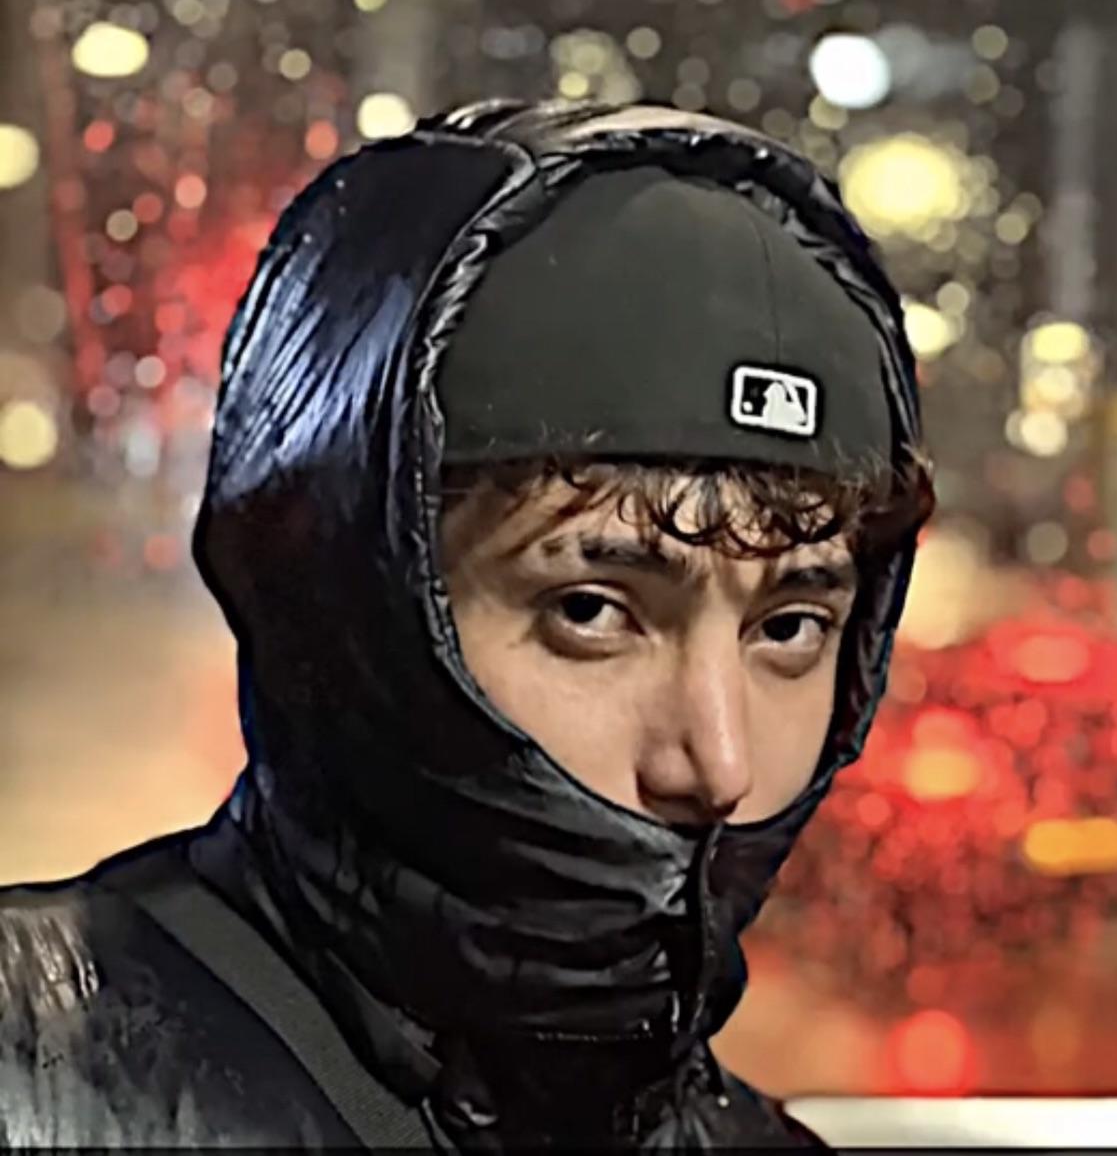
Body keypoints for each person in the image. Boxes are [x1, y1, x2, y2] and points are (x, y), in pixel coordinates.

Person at [0, 99, 933, 1149]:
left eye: (790, 628)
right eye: (590, 612)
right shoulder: (34, 1077)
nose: (719, 764)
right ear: (353, 618)